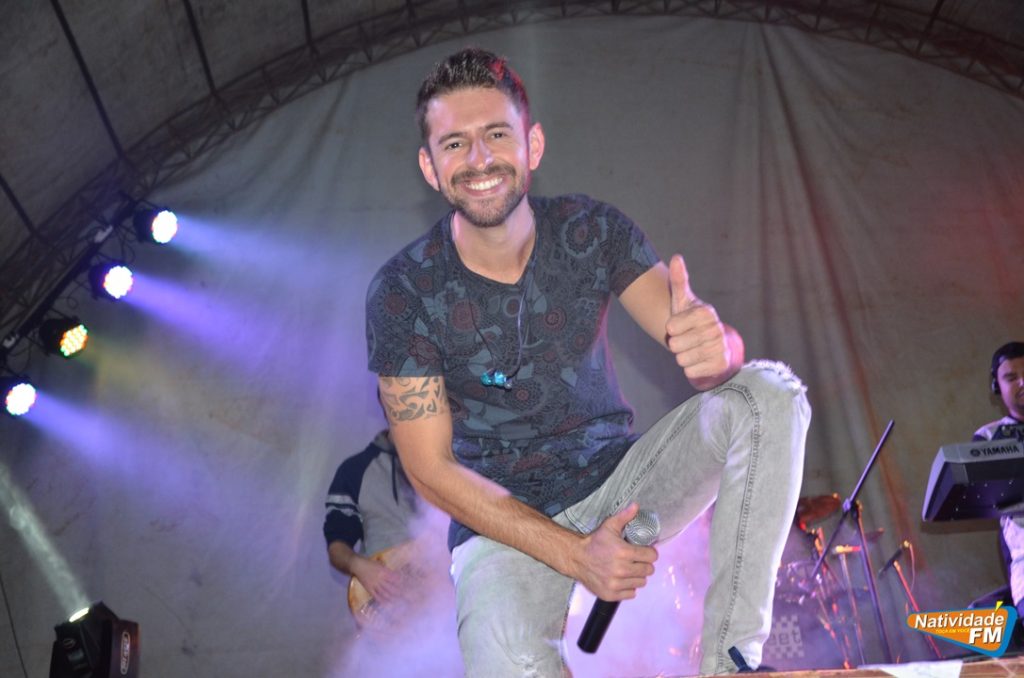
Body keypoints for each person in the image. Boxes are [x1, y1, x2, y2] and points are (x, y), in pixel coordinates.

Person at [365, 47, 811, 675]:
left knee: (769, 393)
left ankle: (732, 663)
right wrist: (577, 556)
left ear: (533, 145)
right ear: (429, 167)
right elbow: (430, 470)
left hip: (619, 482)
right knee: (505, 655)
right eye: (455, 144)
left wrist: (719, 349)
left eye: (497, 134)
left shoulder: (590, 230)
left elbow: (705, 348)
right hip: (500, 529)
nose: (480, 159)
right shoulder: (403, 290)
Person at [323, 427, 419, 609]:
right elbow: (336, 546)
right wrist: (359, 566)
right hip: (390, 609)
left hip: (447, 600)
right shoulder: (355, 470)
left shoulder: (453, 463)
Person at [972, 341, 1024, 619]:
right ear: (997, 387)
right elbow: (990, 497)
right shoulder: (988, 438)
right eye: (1012, 377)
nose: (1022, 382)